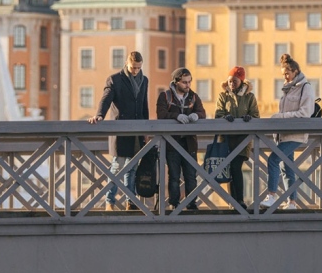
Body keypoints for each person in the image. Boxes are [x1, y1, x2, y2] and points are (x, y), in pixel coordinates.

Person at [89, 51, 149, 211]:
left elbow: (144, 105)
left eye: (138, 68)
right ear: (127, 64)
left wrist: (147, 129)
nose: (136, 70)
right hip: (120, 130)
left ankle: (131, 201)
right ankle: (110, 201)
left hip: (137, 130)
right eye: (133, 67)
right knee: (117, 167)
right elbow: (106, 98)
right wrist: (99, 115)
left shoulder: (144, 80)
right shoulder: (115, 79)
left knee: (133, 167)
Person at [261, 53, 314, 211]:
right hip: (284, 135)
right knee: (287, 167)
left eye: (287, 73)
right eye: (283, 74)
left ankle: (272, 196)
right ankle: (292, 203)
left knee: (273, 159)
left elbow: (305, 113)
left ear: (295, 71)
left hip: (296, 134)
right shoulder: (287, 89)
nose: (285, 76)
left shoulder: (306, 88)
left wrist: (281, 117)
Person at [155, 67, 206, 209]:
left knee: (191, 175)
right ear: (176, 82)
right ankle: (174, 204)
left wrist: (197, 116)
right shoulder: (165, 96)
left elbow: (202, 112)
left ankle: (191, 204)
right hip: (172, 143)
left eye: (189, 82)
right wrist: (176, 116)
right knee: (174, 176)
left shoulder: (194, 97)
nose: (188, 85)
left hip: (189, 142)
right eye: (184, 82)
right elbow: (161, 114)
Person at [214, 66, 260, 209]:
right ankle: (232, 202)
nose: (231, 84)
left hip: (243, 139)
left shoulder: (249, 97)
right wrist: (224, 117)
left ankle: (238, 200)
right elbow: (218, 113)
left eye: (234, 81)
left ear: (241, 81)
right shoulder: (223, 96)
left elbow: (256, 115)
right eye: (229, 81)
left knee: (236, 166)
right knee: (229, 168)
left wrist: (249, 118)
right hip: (227, 139)